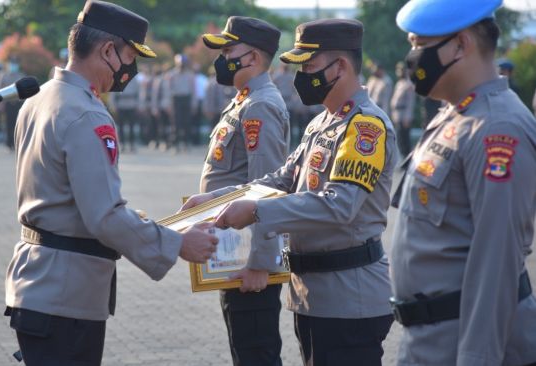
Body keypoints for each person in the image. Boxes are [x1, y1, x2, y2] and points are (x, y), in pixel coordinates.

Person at [4, 2, 218, 365]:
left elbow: (67, 198)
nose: (131, 69)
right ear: (107, 51)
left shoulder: (39, 98)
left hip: (37, 283)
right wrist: (179, 242)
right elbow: (103, 216)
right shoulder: (86, 113)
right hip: (67, 295)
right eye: (130, 56)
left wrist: (143, 223)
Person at [184, 19, 398, 366]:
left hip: (349, 298)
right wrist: (216, 201)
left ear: (340, 66)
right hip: (313, 295)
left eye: (309, 67)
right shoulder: (322, 123)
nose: (301, 77)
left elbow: (340, 205)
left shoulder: (364, 127)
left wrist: (256, 212)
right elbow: (280, 179)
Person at [390, 0, 536, 365]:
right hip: (430, 342)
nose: (412, 57)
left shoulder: (496, 127)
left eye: (420, 44)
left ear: (460, 45)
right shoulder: (457, 114)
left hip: (463, 344)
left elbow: (496, 265)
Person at [199, 16, 289, 366]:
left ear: (251, 57)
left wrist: (260, 263)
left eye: (227, 50)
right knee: (245, 350)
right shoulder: (243, 100)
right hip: (233, 252)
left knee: (256, 354)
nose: (220, 58)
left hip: (249, 260)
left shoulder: (260, 105)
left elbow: (266, 188)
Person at [164, 54, 195, 152]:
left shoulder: (190, 75)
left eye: (183, 64)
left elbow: (193, 91)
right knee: (175, 124)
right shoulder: (171, 75)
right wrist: (168, 104)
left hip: (186, 99)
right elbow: (168, 90)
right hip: (176, 99)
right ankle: (175, 145)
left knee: (187, 123)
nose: (182, 65)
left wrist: (194, 104)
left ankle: (186, 144)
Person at [0, 58, 25, 151]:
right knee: (8, 123)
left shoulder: (21, 75)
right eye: (12, 63)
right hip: (8, 103)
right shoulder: (3, 75)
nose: (13, 66)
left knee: (18, 124)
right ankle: (8, 144)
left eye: (15, 63)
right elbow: (0, 90)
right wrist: (0, 104)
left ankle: (16, 143)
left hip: (18, 102)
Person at [110, 67, 140, 152]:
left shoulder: (134, 80)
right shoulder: (117, 79)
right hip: (121, 105)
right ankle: (122, 144)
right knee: (121, 127)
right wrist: (113, 106)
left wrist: (138, 105)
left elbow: (139, 93)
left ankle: (132, 144)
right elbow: (113, 93)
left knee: (131, 126)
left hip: (131, 105)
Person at [390, 61, 416, 156]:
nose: (399, 72)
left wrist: (407, 117)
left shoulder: (408, 84)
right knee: (400, 139)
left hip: (404, 115)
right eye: (398, 70)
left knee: (405, 141)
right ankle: (403, 159)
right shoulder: (399, 83)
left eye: (401, 70)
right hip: (397, 114)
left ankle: (407, 161)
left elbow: (410, 102)